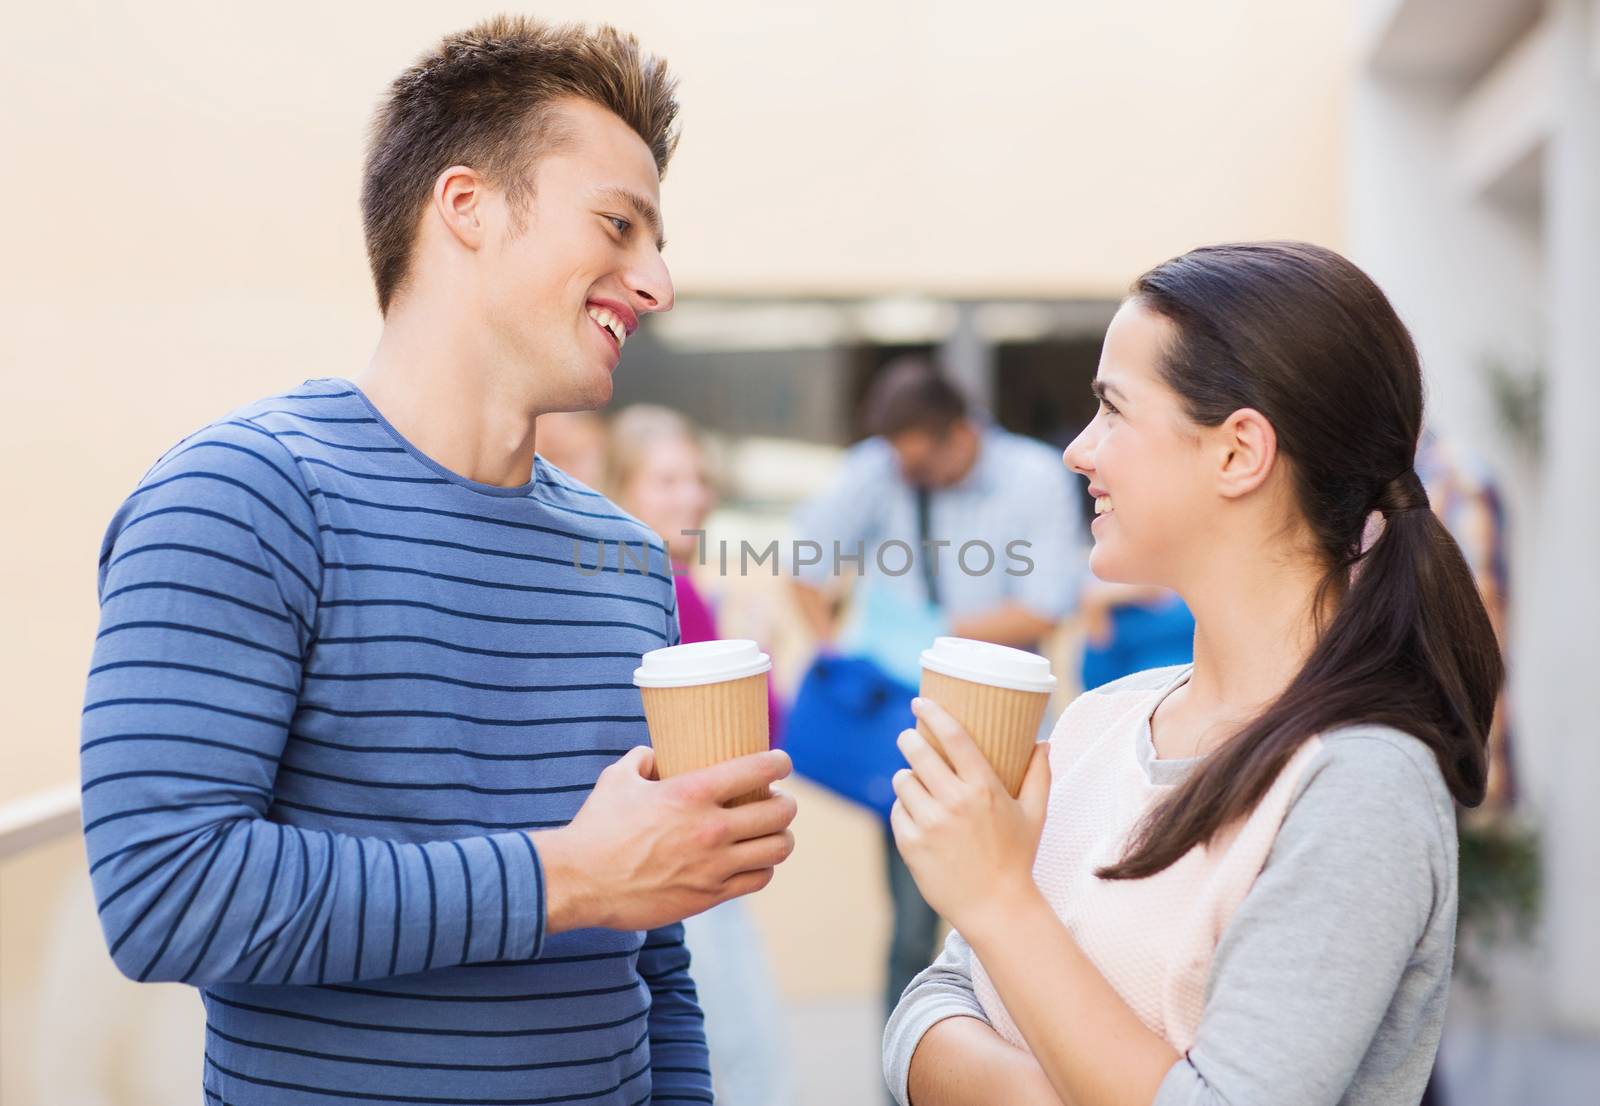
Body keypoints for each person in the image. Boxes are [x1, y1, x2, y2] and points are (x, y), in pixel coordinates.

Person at [79, 18, 798, 1106]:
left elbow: (652, 956)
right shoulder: (243, 493)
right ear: (464, 207)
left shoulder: (626, 559)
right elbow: (164, 891)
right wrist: (571, 873)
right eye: (618, 223)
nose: (654, 281)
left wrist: (641, 874)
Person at [882, 242, 1502, 1105]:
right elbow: (923, 1016)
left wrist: (997, 900)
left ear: (1239, 452)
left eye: (1113, 410)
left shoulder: (1359, 783)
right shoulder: (1100, 723)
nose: (1077, 452)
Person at [790, 357, 1085, 1027]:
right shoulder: (879, 466)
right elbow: (803, 559)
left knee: (1017, 917)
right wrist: (832, 647)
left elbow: (1047, 602)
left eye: (922, 464)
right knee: (911, 930)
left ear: (960, 434)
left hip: (1008, 732)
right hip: (910, 729)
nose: (908, 474)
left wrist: (935, 637)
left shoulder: (1032, 477)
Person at [606, 403, 797, 1106]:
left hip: (678, 849)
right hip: (692, 853)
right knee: (735, 1054)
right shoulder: (666, 589)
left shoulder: (662, 583)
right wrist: (755, 650)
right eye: (665, 481)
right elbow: (753, 744)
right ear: (622, 490)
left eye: (696, 478)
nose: (690, 496)